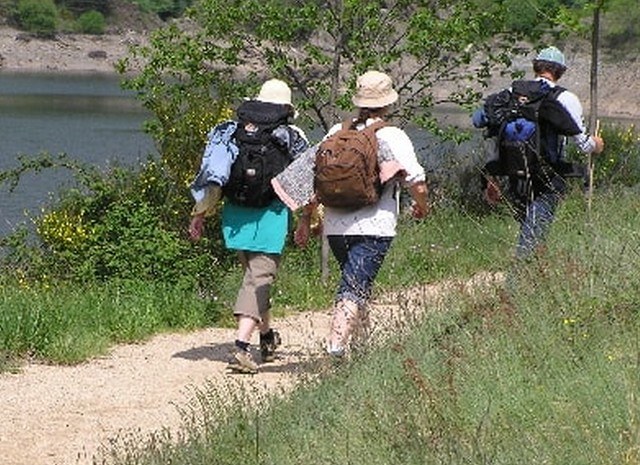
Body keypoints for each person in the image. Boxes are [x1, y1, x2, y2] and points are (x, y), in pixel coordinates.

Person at [294, 70, 429, 358]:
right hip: (374, 227)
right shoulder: (391, 135)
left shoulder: (336, 132)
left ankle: (362, 351)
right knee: (353, 288)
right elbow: (417, 182)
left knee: (358, 283)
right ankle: (335, 348)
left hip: (335, 227)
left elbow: (314, 178)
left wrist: (306, 218)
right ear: (388, 103)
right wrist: (422, 205)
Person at [189, 79, 308, 373]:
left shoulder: (233, 131)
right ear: (287, 107)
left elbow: (215, 173)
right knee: (258, 279)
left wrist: (199, 213)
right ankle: (242, 348)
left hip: (236, 215)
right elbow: (308, 179)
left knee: (256, 279)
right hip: (271, 214)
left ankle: (266, 337)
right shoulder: (290, 135)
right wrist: (308, 219)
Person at [472, 46, 605, 259]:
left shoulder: (511, 93)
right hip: (546, 177)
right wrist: (597, 144)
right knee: (532, 237)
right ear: (560, 71)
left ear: (535, 67)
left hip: (514, 174)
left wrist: (492, 175)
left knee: (531, 230)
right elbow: (583, 144)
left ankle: (535, 270)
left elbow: (481, 121)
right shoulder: (564, 97)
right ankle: (518, 276)